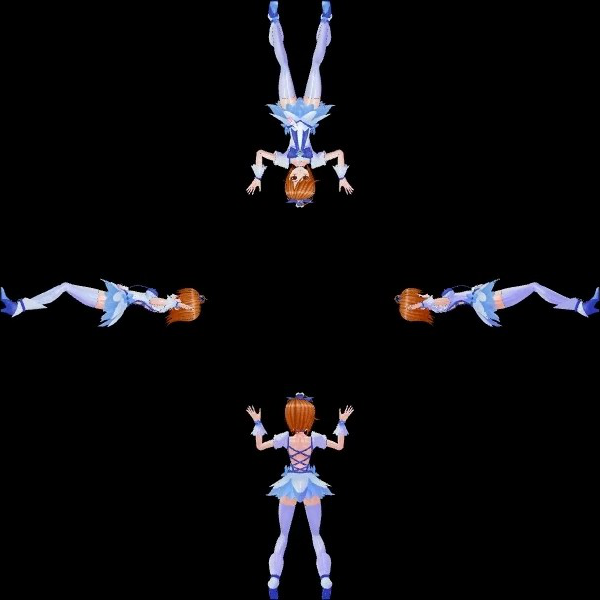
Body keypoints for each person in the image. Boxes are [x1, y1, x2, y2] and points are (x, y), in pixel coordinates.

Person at [246, 392, 354, 599]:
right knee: (316, 534)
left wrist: (257, 422)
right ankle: (325, 579)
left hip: (289, 485)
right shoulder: (315, 438)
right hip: (310, 485)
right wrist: (341, 422)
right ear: (309, 417)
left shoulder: (285, 438)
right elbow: (340, 446)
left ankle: (274, 579)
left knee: (283, 534)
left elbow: (259, 446)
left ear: (289, 417)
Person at [246, 1, 354, 207]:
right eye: (303, 180)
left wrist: (257, 177)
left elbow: (260, 153)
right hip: (311, 113)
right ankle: (325, 20)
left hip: (289, 112)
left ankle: (274, 20)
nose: (298, 175)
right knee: (315, 67)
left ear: (288, 179)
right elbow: (339, 153)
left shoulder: (283, 161)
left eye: (293, 179)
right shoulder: (316, 161)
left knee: (284, 68)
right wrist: (342, 177)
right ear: (310, 179)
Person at [395, 281, 600, 326]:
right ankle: (579, 307)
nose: (423, 294)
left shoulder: (435, 306)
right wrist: (420, 304)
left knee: (533, 288)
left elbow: (450, 300)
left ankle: (579, 307)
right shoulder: (434, 303)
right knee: (534, 286)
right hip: (489, 300)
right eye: (419, 296)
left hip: (487, 301)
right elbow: (447, 300)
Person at [1, 281, 205, 327]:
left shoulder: (165, 304)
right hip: (111, 298)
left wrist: (178, 303)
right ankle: (18, 307)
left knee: (65, 286)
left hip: (108, 300)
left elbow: (152, 300)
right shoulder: (165, 305)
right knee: (66, 287)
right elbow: (145, 299)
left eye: (181, 296)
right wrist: (124, 289)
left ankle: (19, 307)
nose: (176, 294)